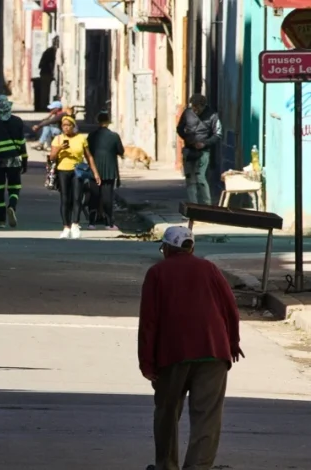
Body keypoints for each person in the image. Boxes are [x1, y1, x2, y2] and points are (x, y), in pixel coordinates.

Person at [139, 226, 244, 470]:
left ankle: (167, 465)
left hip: (173, 354)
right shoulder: (209, 269)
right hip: (214, 352)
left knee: (167, 412)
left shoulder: (157, 273)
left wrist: (147, 362)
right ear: (191, 248)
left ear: (166, 248)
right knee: (207, 417)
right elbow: (230, 309)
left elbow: (149, 322)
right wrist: (233, 343)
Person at [48, 116, 101, 239]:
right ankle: (66, 227)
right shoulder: (58, 139)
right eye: (63, 125)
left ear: (73, 126)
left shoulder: (81, 138)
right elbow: (51, 157)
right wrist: (59, 148)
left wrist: (95, 173)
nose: (66, 127)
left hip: (77, 171)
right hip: (62, 171)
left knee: (77, 198)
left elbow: (89, 157)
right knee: (65, 199)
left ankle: (75, 225)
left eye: (68, 125)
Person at [0, 96, 28, 228]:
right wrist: (24, 160)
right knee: (15, 187)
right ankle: (12, 206)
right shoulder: (18, 121)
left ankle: (1, 221)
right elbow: (22, 143)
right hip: (14, 160)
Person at [177, 93, 222, 205]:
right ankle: (193, 206)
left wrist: (204, 143)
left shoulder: (212, 115)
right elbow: (179, 128)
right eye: (193, 106)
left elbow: (218, 134)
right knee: (190, 179)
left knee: (200, 178)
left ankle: (207, 205)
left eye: (197, 107)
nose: (195, 109)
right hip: (189, 150)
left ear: (204, 105)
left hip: (203, 152)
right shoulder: (187, 113)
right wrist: (189, 139)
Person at [86, 112, 124, 230]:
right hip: (109, 170)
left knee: (94, 196)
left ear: (98, 121)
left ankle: (91, 222)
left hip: (94, 169)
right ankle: (109, 223)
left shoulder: (92, 135)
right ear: (108, 121)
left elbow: (88, 151)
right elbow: (120, 151)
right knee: (107, 197)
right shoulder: (114, 136)